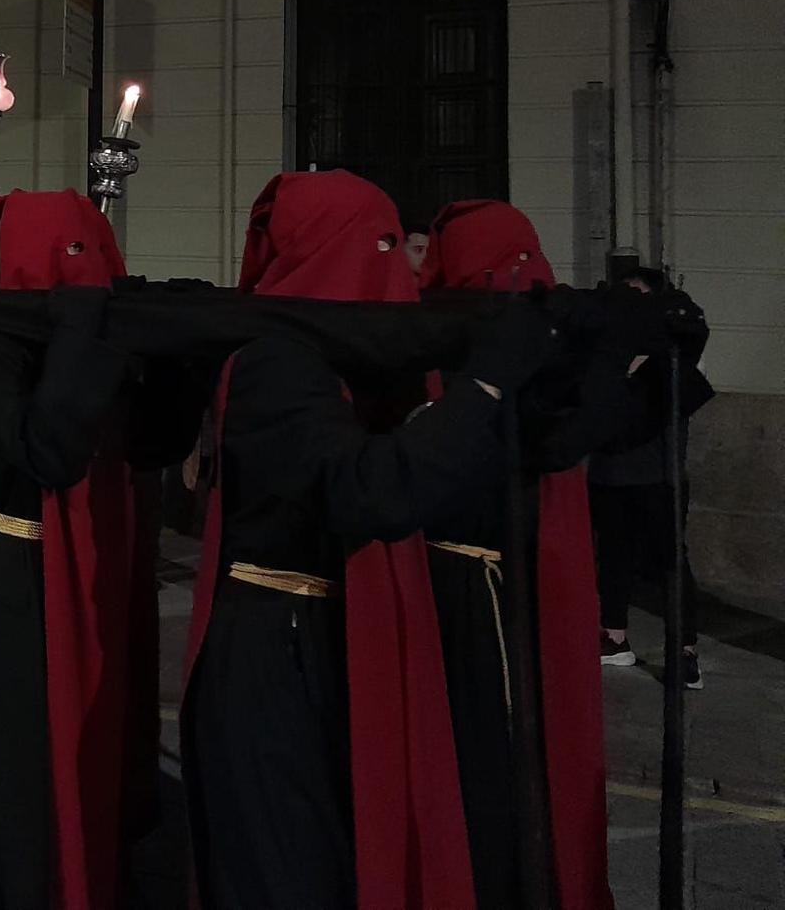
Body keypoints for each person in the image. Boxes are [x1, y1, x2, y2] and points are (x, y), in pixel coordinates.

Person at [181, 170, 558, 910]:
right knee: (288, 869)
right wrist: (481, 389)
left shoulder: (334, 360)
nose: (404, 268)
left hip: (316, 641)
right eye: (382, 246)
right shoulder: (277, 362)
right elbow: (371, 491)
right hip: (272, 651)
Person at [418, 198, 658, 909]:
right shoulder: (432, 337)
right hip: (464, 586)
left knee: (522, 752)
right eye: (509, 264)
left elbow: (570, 436)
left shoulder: (538, 336)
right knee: (479, 760)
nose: (525, 277)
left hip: (506, 577)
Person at [0, 190, 135, 910]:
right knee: (10, 774)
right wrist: (83, 334)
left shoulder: (80, 333)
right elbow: (47, 452)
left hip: (71, 573)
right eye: (75, 253)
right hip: (4, 580)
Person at [589, 264, 713, 689]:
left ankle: (685, 652)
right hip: (610, 471)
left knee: (670, 562)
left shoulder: (672, 348)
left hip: (658, 475)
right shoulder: (610, 346)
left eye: (638, 295)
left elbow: (688, 340)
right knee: (614, 558)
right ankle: (614, 637)